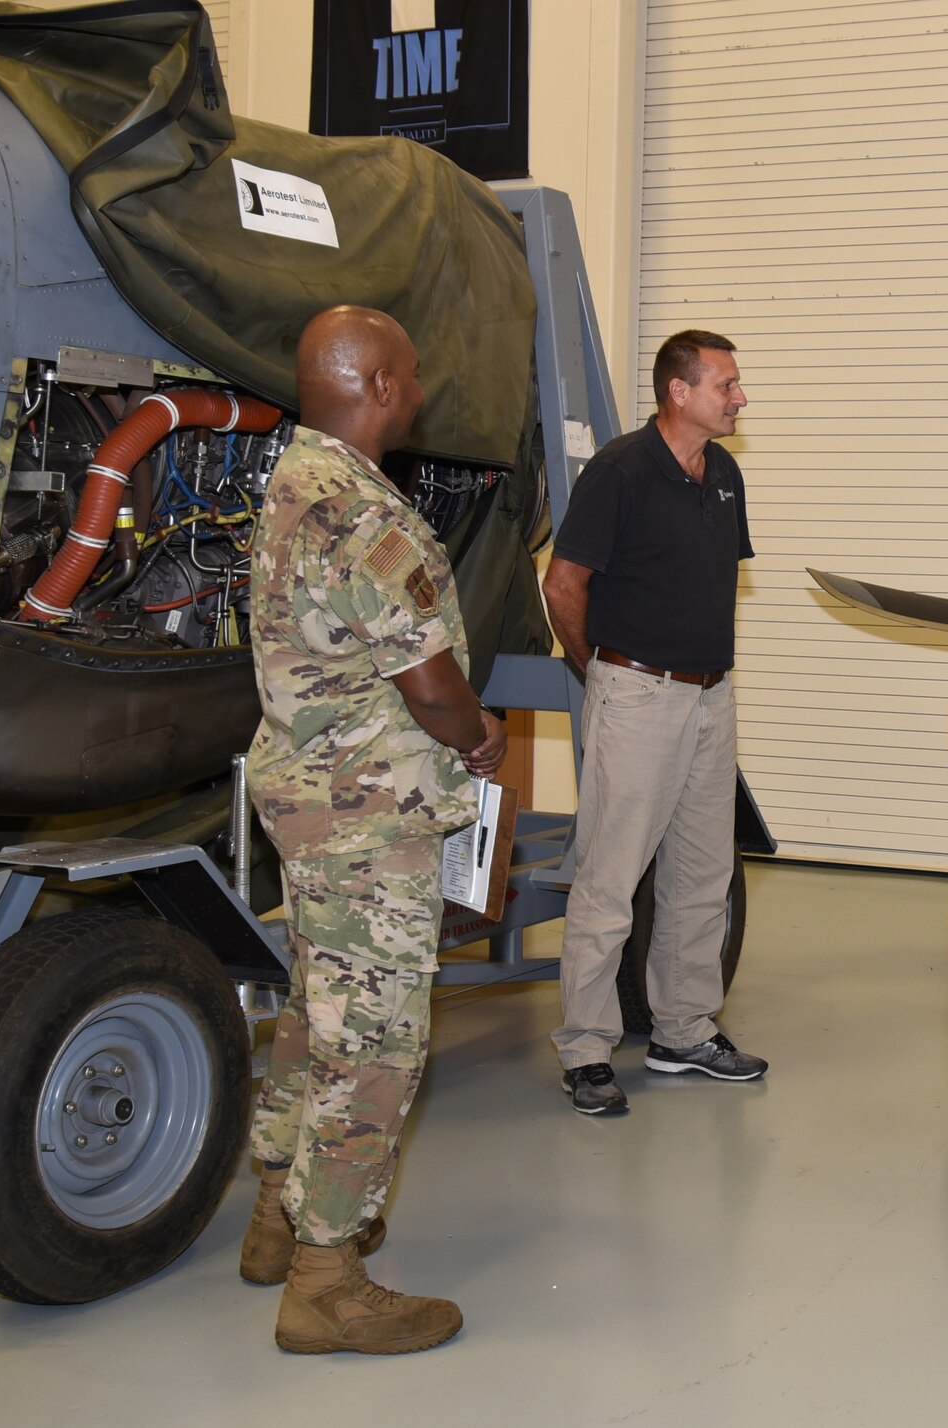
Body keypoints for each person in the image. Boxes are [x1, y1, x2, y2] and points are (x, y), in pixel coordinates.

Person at [239, 305, 506, 1353]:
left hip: (308, 798)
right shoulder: (361, 513)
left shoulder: (293, 482)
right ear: (381, 383)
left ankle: (276, 1214)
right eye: (412, 374)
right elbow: (431, 686)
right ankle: (323, 1279)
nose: (422, 392)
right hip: (367, 810)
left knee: (315, 1013)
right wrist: (479, 740)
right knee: (377, 1041)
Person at [541, 329, 766, 1114]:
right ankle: (586, 1048)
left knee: (703, 875)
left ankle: (682, 1031)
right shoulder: (620, 471)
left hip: (712, 697)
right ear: (680, 392)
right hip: (638, 694)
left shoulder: (725, 473)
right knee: (610, 877)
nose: (740, 398)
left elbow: (707, 582)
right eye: (726, 385)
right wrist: (600, 670)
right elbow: (562, 584)